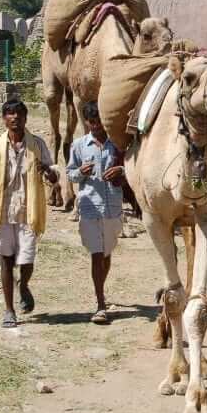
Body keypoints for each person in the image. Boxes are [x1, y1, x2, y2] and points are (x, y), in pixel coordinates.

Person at [0, 98, 58, 328]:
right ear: (4, 119)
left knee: (27, 259)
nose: (15, 119)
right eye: (10, 115)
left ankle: (23, 285)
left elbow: (53, 175)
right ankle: (9, 310)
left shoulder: (37, 145)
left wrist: (48, 172)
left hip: (28, 211)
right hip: (1, 211)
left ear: (25, 119)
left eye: (19, 115)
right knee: (6, 261)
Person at [67, 102, 124, 325]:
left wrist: (121, 170)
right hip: (90, 207)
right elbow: (70, 174)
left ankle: (100, 288)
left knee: (107, 253)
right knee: (96, 255)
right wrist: (80, 172)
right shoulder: (79, 145)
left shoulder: (117, 145)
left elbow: (129, 167)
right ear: (87, 122)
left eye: (99, 121)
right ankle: (101, 304)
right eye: (92, 122)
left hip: (112, 208)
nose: (96, 125)